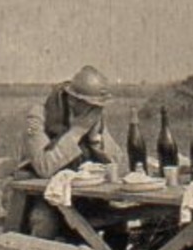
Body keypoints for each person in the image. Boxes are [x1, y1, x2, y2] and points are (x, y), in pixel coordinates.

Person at [12, 64, 123, 239]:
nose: (96, 111)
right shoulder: (39, 115)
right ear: (73, 100)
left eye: (99, 107)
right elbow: (44, 167)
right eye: (92, 105)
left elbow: (118, 162)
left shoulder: (91, 116)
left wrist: (96, 140)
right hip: (39, 196)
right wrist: (77, 131)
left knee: (118, 220)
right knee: (46, 221)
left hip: (82, 195)